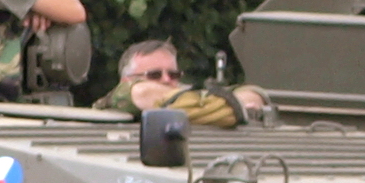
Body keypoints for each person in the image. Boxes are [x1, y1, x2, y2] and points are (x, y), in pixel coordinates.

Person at [98, 38, 268, 127]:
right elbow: (143, 94)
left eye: (173, 74)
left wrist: (214, 104)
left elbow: (253, 94)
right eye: (154, 75)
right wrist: (232, 108)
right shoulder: (122, 95)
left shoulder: (188, 98)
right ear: (127, 79)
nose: (166, 80)